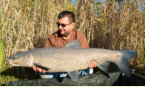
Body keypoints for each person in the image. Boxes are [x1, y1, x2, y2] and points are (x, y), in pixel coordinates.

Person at [32, 11, 96, 79]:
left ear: (72, 25)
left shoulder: (79, 36)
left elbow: (86, 56)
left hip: (77, 66)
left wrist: (90, 63)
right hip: (58, 68)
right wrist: (40, 65)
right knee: (44, 75)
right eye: (58, 24)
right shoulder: (52, 37)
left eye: (63, 25)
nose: (59, 27)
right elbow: (45, 57)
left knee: (89, 70)